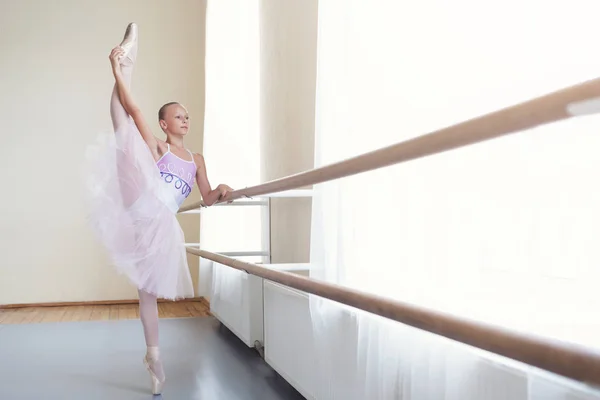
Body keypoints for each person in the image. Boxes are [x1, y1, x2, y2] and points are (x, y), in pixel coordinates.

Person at [85, 22, 233, 394]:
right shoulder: (160, 147)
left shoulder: (196, 158)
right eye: (178, 115)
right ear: (165, 124)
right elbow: (135, 110)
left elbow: (207, 194)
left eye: (187, 115)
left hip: (161, 221)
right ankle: (125, 59)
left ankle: (153, 355)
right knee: (123, 120)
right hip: (140, 195)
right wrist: (116, 71)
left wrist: (223, 191)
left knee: (147, 291)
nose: (185, 118)